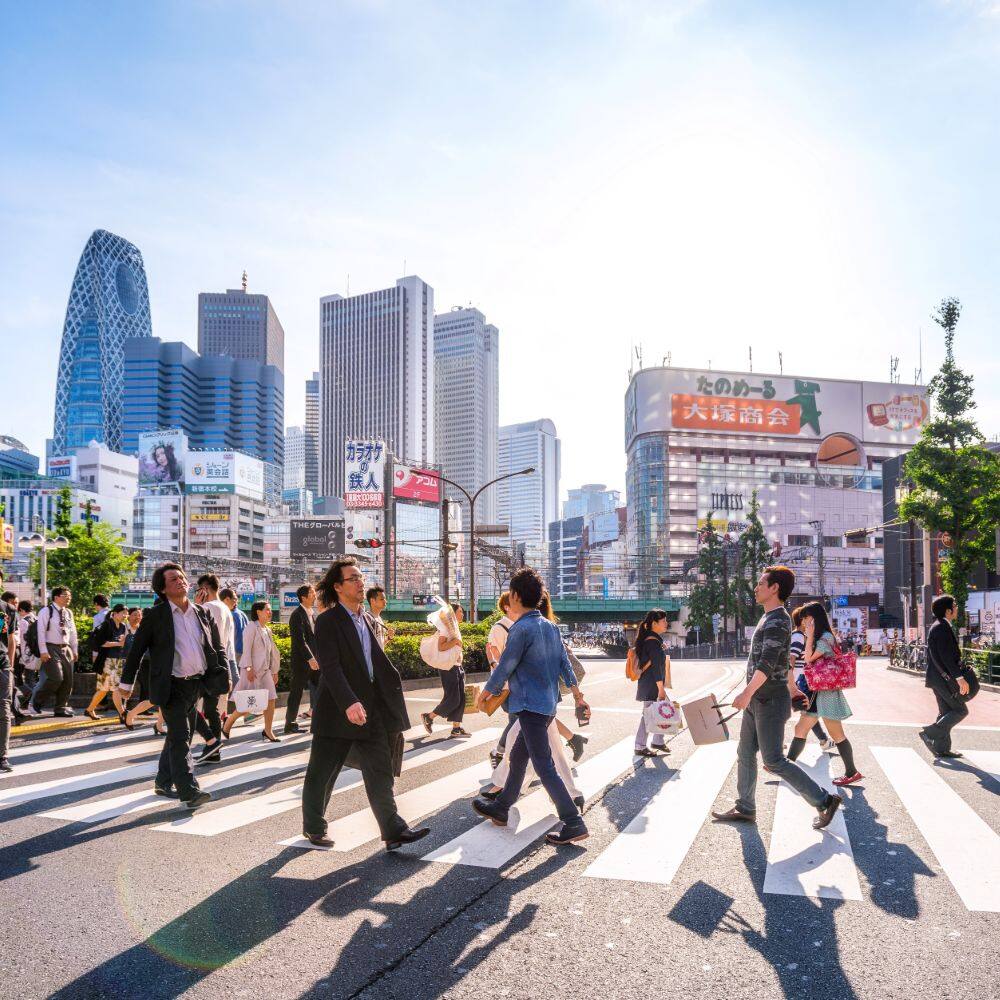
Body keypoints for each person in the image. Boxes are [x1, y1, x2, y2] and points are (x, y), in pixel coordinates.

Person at [300, 557, 430, 850]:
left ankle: (392, 828)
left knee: (380, 768)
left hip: (370, 708)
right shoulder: (328, 621)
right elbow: (330, 668)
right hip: (338, 709)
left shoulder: (368, 619)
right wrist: (349, 702)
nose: (361, 583)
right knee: (322, 771)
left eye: (361, 577)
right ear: (338, 586)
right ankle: (314, 827)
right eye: (353, 579)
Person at [712, 566, 842, 830]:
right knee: (745, 751)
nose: (756, 587)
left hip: (768, 700)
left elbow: (768, 663)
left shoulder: (778, 620)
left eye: (761, 583)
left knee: (773, 760)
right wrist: (793, 689)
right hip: (760, 698)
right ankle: (745, 807)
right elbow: (786, 660)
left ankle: (824, 800)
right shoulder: (768, 617)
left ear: (774, 588)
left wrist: (746, 693)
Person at [473, 568, 592, 847]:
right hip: (548, 704)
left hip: (529, 705)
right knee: (517, 756)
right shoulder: (550, 627)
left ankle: (573, 822)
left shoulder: (521, 629)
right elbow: (565, 663)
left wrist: (486, 694)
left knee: (543, 765)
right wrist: (577, 694)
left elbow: (504, 666)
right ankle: (501, 807)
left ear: (514, 596)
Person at [118, 562, 230, 809]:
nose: (180, 581)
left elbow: (217, 647)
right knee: (181, 737)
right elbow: (136, 651)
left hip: (197, 685)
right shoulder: (155, 616)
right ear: (163, 589)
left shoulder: (202, 613)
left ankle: (162, 780)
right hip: (171, 686)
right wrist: (126, 683)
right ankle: (189, 790)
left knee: (178, 737)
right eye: (172, 580)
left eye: (181, 577)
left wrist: (224, 675)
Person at [786, 602, 861, 786]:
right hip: (817, 691)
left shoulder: (826, 637)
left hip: (826, 692)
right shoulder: (820, 635)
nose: (803, 621)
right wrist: (809, 636)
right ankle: (785, 766)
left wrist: (809, 636)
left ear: (814, 618)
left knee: (837, 734)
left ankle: (852, 772)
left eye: (805, 617)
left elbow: (808, 658)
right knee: (800, 729)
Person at [920, 594, 970, 759]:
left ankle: (942, 748)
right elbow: (945, 656)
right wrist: (959, 678)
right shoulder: (941, 627)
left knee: (946, 711)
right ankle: (930, 733)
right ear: (948, 611)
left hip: (937, 678)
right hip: (942, 679)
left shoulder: (939, 625)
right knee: (960, 710)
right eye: (954, 606)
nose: (956, 608)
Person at [224, 601, 281, 742]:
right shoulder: (251, 628)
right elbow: (247, 650)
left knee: (271, 699)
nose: (270, 612)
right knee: (249, 703)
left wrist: (274, 671)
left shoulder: (267, 629)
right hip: (252, 671)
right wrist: (249, 668)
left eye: (270, 610)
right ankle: (228, 723)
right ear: (258, 612)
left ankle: (268, 730)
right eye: (267, 610)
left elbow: (272, 653)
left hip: (265, 670)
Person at [192, 574, 233, 763]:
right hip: (220, 664)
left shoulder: (206, 608)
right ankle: (213, 749)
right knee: (211, 709)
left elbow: (198, 635)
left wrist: (196, 606)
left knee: (186, 705)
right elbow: (228, 644)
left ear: (205, 589)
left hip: (204, 664)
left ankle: (211, 743)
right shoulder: (226, 608)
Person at [785, 606, 834, 752]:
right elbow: (792, 658)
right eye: (805, 618)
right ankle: (776, 744)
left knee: (807, 713)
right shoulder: (799, 637)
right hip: (796, 680)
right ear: (802, 621)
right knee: (795, 712)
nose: (807, 622)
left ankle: (823, 740)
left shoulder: (800, 636)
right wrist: (790, 679)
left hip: (800, 679)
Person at [421, 602, 470, 738]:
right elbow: (441, 647)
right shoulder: (445, 629)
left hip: (456, 665)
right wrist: (455, 642)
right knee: (453, 699)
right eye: (460, 611)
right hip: (448, 668)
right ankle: (429, 717)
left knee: (461, 698)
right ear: (453, 614)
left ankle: (456, 728)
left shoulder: (454, 628)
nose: (462, 614)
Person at [30, 586, 78, 717]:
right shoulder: (46, 611)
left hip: (66, 648)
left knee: (68, 680)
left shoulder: (68, 612)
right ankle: (35, 701)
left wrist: (74, 649)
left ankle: (60, 708)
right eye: (65, 596)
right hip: (50, 647)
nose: (68, 598)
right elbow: (40, 632)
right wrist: (43, 650)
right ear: (56, 597)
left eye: (69, 596)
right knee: (56, 678)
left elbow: (73, 632)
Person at [632, 609, 672, 757]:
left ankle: (658, 741)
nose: (666, 623)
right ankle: (640, 745)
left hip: (650, 684)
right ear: (654, 623)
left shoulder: (652, 640)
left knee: (660, 710)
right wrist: (661, 689)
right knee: (648, 715)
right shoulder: (652, 642)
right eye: (664, 621)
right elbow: (655, 667)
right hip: (652, 685)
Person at [123, 608, 166, 734]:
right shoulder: (149, 627)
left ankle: (159, 724)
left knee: (166, 697)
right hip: (150, 665)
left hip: (166, 665)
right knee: (156, 698)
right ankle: (130, 714)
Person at [486, 591, 516, 769]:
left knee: (519, 721)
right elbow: (495, 655)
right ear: (507, 606)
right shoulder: (499, 627)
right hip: (507, 685)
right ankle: (498, 752)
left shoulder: (518, 626)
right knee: (516, 720)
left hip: (518, 683)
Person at [84, 604, 129, 721]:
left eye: (126, 613)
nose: (125, 615)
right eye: (123, 613)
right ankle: (122, 713)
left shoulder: (123, 626)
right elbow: (101, 643)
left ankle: (89, 710)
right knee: (112, 689)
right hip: (107, 660)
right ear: (115, 613)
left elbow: (122, 643)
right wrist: (118, 643)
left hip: (118, 660)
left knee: (107, 689)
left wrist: (122, 643)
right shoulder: (107, 625)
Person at [286, 584, 319, 734]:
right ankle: (290, 723)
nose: (315, 595)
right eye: (312, 593)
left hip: (315, 661)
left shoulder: (311, 614)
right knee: (296, 692)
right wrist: (310, 658)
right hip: (302, 662)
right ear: (303, 597)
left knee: (322, 688)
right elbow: (300, 641)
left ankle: (320, 719)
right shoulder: (297, 615)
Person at [13, 600, 38, 721]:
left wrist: (22, 657)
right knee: (31, 678)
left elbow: (22, 641)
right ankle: (30, 702)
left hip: (26, 655)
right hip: (37, 654)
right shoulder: (36, 618)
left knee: (26, 680)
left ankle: (32, 702)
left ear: (22, 610)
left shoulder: (23, 621)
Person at [0, 575, 14, 771]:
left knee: (4, 710)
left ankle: (2, 756)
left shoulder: (7, 609)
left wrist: (10, 665)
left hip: (2, 664)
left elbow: (11, 639)